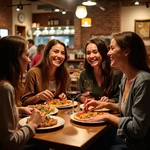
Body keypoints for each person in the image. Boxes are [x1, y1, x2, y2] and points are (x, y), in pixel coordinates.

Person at [84, 31, 150, 150]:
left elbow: (137, 129)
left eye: (112, 48)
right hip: (125, 137)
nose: (108, 53)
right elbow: (128, 107)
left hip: (137, 144)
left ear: (126, 51)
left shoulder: (144, 81)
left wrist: (107, 117)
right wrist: (105, 104)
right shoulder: (126, 77)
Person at [0, 36, 43, 150]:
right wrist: (33, 123)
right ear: (14, 58)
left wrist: (17, 109)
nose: (29, 60)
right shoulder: (5, 88)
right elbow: (9, 143)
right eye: (26, 55)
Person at [22, 39, 70, 106]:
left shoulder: (65, 74)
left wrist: (64, 96)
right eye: (56, 52)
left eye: (63, 53)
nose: (59, 56)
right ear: (47, 53)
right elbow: (25, 101)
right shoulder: (33, 73)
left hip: (59, 114)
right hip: (39, 113)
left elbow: (68, 96)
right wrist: (38, 97)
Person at [78, 37, 122, 103]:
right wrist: (82, 98)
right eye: (88, 53)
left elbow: (120, 98)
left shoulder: (116, 74)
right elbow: (78, 94)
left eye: (95, 52)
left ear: (103, 53)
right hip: (89, 111)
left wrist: (109, 101)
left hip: (110, 112)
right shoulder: (84, 74)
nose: (91, 56)